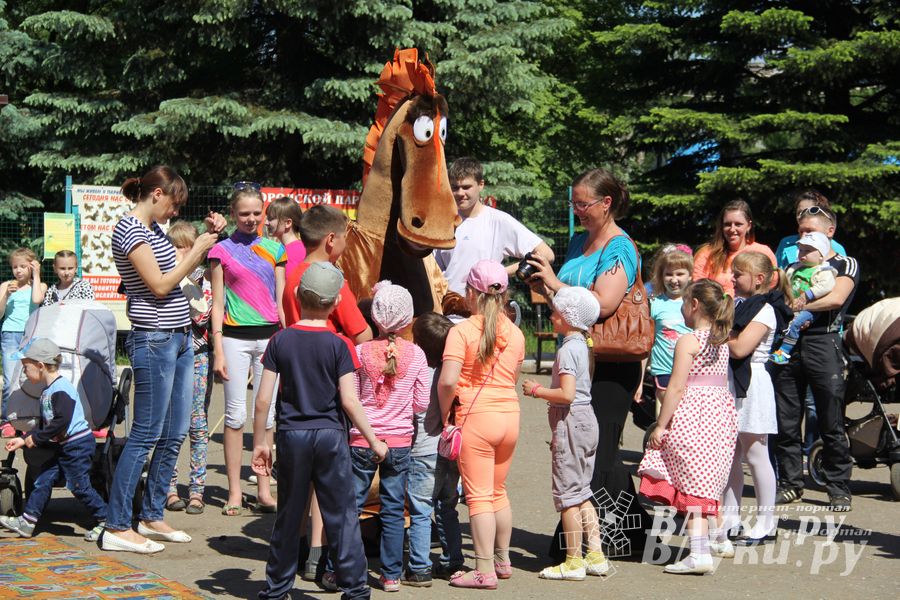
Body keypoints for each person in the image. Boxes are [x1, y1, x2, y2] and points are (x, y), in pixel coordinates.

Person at [526, 168, 653, 558]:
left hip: (613, 361)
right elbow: (570, 306)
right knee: (598, 452)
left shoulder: (620, 248)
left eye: (583, 203)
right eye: (574, 203)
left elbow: (602, 303)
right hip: (581, 355)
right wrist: (544, 287)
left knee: (595, 451)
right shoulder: (580, 241)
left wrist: (555, 282)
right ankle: (635, 536)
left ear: (606, 203)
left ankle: (570, 547)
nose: (577, 210)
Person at [250, 261, 388, 600]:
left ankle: (277, 589)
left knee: (288, 514)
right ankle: (355, 590)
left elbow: (263, 400)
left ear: (296, 295)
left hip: (292, 436)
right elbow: (350, 402)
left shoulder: (280, 340)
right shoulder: (340, 345)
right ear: (337, 303)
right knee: (340, 516)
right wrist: (374, 441)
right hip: (329, 437)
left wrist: (260, 445)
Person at [105, 165, 223, 554]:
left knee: (174, 433)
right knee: (144, 435)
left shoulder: (154, 230)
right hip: (154, 340)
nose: (174, 214)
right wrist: (200, 250)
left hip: (181, 339)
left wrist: (207, 234)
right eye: (173, 204)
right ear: (156, 194)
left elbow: (179, 266)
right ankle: (117, 525)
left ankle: (152, 514)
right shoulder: (129, 229)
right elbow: (159, 284)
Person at [280, 205, 372, 578]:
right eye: (347, 236)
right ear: (331, 239)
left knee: (299, 479)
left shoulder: (293, 275)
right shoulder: (332, 279)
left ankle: (298, 552)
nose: (349, 243)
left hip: (298, 384)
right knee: (330, 479)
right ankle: (322, 555)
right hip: (334, 381)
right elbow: (361, 332)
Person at [638, 279, 737, 575]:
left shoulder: (689, 341)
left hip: (693, 417)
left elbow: (677, 388)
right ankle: (720, 539)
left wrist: (660, 425)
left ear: (694, 305)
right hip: (720, 418)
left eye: (683, 302)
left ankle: (699, 553)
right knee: (707, 481)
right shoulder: (722, 341)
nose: (681, 307)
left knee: (693, 485)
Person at [438, 260, 525, 589]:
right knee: (497, 491)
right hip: (509, 417)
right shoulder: (515, 334)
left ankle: (484, 569)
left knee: (477, 498)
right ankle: (503, 559)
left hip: (476, 418)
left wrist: (445, 414)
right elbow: (513, 379)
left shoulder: (460, 332)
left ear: (471, 293)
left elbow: (448, 381)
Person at [339, 281, 429, 592]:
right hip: (400, 442)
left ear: (374, 317)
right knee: (393, 508)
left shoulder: (360, 352)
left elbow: (351, 396)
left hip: (363, 439)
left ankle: (344, 567)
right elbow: (422, 403)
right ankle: (391, 573)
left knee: (352, 505)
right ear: (409, 320)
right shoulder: (417, 355)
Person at [773, 205, 859, 511]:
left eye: (810, 231)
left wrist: (799, 303)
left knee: (829, 419)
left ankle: (838, 487)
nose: (803, 237)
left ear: (829, 232)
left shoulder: (844, 263)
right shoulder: (794, 266)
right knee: (786, 419)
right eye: (800, 232)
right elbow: (779, 297)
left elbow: (836, 297)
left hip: (824, 344)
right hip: (789, 343)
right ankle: (791, 484)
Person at [521, 286, 609, 581]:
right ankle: (595, 554)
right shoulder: (582, 345)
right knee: (582, 491)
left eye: (556, 312)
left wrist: (537, 391)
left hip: (571, 421)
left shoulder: (569, 349)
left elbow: (567, 394)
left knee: (568, 495)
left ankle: (573, 560)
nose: (551, 315)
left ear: (569, 317)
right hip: (585, 422)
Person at [209, 185, 285, 516]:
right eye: (244, 214)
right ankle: (236, 492)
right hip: (235, 340)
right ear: (233, 214)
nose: (251, 219)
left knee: (266, 416)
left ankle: (264, 489)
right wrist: (218, 349)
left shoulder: (274, 249)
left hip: (270, 339)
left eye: (256, 213)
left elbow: (282, 300)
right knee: (236, 415)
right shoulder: (221, 251)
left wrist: (287, 339)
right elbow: (218, 300)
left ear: (264, 211)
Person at [718, 252, 791, 553]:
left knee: (756, 453)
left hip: (753, 385)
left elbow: (740, 348)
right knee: (732, 454)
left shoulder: (765, 311)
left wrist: (719, 335)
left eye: (739, 274)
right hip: (733, 384)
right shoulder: (738, 305)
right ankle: (731, 518)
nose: (733, 279)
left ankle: (767, 522)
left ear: (759, 279)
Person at [0, 338, 107, 540]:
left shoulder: (61, 389)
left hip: (77, 445)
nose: (24, 371)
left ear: (40, 366)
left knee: (79, 485)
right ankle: (28, 521)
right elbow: (47, 425)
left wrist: (37, 439)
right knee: (43, 479)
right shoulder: (48, 391)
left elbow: (61, 422)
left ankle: (107, 519)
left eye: (25, 366)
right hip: (64, 445)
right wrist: (24, 439)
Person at [433, 157, 553, 296]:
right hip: (448, 309)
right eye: (455, 187)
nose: (460, 193)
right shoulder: (443, 221)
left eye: (466, 187)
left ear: (481, 184)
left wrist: (500, 273)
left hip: (485, 309)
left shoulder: (498, 220)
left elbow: (546, 253)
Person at [164, 221, 213, 515]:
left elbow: (203, 316)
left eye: (186, 246)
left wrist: (188, 284)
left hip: (198, 357)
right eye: (176, 246)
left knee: (198, 424)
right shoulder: (165, 277)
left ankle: (197, 490)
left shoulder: (204, 278)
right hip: (170, 357)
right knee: (171, 424)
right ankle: (168, 488)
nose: (181, 252)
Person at [410, 312, 461, 583]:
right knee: (447, 506)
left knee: (420, 508)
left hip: (423, 449)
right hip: (451, 448)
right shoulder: (452, 372)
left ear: (417, 342)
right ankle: (453, 559)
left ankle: (419, 566)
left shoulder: (418, 372)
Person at [770, 232, 837, 364]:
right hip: (792, 304)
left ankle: (784, 351)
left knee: (795, 324)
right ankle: (775, 345)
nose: (802, 254)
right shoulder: (795, 267)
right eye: (801, 250)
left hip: (810, 308)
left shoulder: (824, 270)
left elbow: (826, 285)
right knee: (779, 320)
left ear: (821, 254)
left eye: (808, 251)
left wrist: (808, 294)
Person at [643, 247, 694, 415]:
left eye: (679, 274)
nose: (674, 279)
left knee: (687, 418)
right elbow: (646, 342)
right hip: (664, 370)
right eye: (668, 274)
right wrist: (639, 380)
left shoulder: (696, 305)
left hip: (691, 371)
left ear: (690, 276)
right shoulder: (655, 304)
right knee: (668, 417)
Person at [692, 200, 776, 296]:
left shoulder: (763, 252)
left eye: (738, 224)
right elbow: (698, 288)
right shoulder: (707, 254)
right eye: (727, 224)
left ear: (749, 225)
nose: (732, 229)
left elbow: (771, 286)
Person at [1, 247, 43, 429]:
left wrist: (37, 275)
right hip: (10, 334)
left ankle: (28, 417)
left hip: (31, 335)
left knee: (31, 379)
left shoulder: (40, 286)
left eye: (23, 266)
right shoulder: (5, 286)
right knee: (10, 380)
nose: (18, 270)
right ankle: (7, 420)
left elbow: (36, 300)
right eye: (15, 267)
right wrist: (6, 296)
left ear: (31, 266)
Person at [774, 190, 847, 269]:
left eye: (808, 211)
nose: (801, 217)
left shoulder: (836, 248)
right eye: (799, 213)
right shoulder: (786, 243)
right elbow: (776, 273)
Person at [265, 196, 306, 280]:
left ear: (288, 223)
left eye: (271, 218)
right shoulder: (300, 248)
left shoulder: (295, 252)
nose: (266, 223)